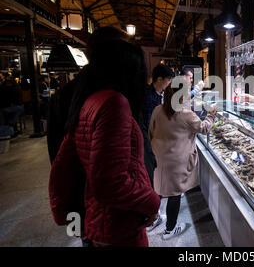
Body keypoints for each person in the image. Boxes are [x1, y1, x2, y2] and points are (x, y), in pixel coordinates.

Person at [49, 39, 160, 247]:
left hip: (100, 221)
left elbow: (61, 166)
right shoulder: (114, 103)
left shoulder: (89, 101)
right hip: (120, 225)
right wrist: (152, 202)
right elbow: (110, 183)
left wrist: (64, 213)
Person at [46, 27, 132, 248]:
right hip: (102, 206)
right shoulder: (113, 96)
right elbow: (60, 157)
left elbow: (57, 154)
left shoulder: (75, 91)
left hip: (101, 205)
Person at [149, 82, 216, 240]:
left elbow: (150, 132)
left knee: (158, 189)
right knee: (174, 194)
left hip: (160, 157)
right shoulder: (186, 114)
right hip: (178, 161)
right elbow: (204, 128)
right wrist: (212, 114)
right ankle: (170, 230)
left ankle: (155, 218)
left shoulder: (157, 110)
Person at [142, 64, 174, 232]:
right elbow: (149, 127)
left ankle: (154, 214)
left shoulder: (158, 94)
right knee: (152, 179)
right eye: (168, 80)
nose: (169, 84)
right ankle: (152, 216)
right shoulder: (148, 97)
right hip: (151, 145)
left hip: (157, 144)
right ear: (159, 79)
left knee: (156, 179)